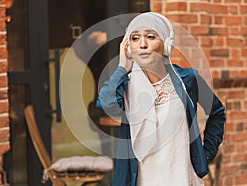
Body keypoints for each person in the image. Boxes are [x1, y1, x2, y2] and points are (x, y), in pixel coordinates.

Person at [96, 12, 226, 186]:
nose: (142, 44)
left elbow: (217, 112)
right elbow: (105, 104)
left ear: (166, 45)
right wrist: (121, 67)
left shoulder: (187, 79)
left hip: (183, 179)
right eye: (135, 39)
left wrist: (205, 153)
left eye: (150, 37)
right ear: (128, 47)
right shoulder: (124, 86)